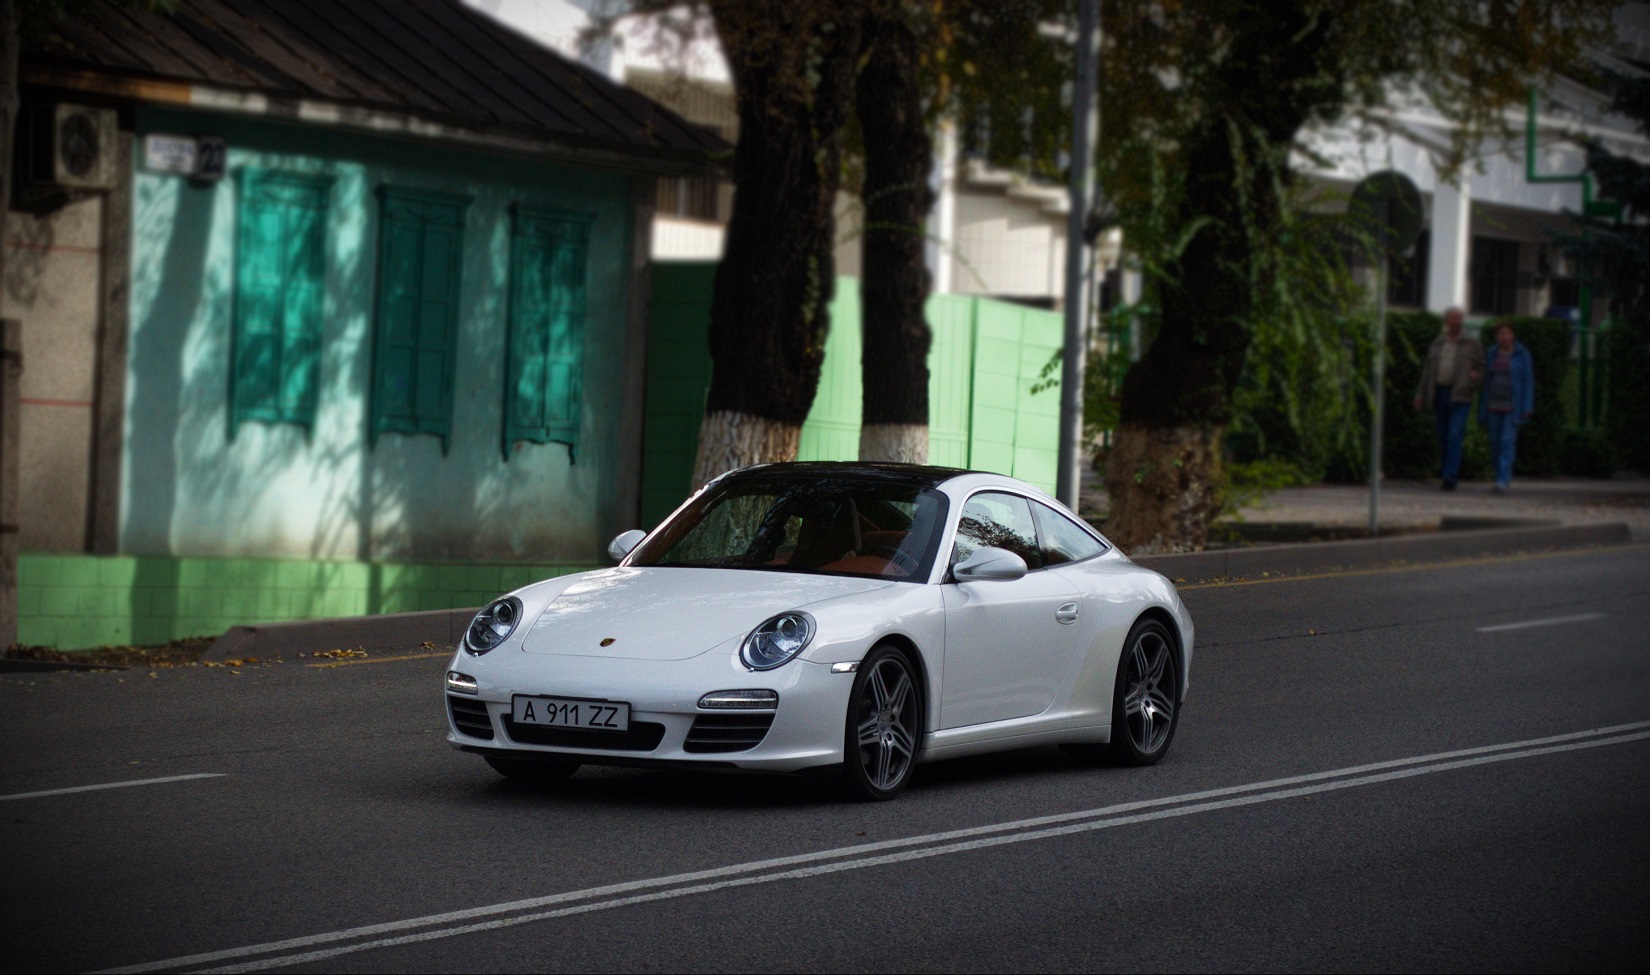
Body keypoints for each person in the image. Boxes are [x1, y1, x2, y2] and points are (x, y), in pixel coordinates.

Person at [1412, 307, 1484, 490]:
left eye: (1459, 318)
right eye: (1453, 318)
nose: (1457, 322)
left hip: (1461, 395)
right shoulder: (1437, 343)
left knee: (1454, 435)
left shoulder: (1472, 343)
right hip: (1440, 393)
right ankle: (1446, 471)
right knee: (1443, 436)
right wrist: (1420, 394)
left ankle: (1450, 476)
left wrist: (1475, 380)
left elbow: (1482, 367)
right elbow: (1428, 371)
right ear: (1446, 321)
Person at [1479, 320, 1535, 493]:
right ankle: (1499, 475)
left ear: (1513, 335)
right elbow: (1486, 379)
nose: (1505, 337)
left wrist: (1527, 406)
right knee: (1495, 443)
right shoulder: (1492, 353)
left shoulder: (1522, 354)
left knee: (1507, 442)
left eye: (1507, 333)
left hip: (1513, 406)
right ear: (1497, 337)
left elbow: (1527, 381)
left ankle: (1503, 479)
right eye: (1501, 334)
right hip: (1493, 404)